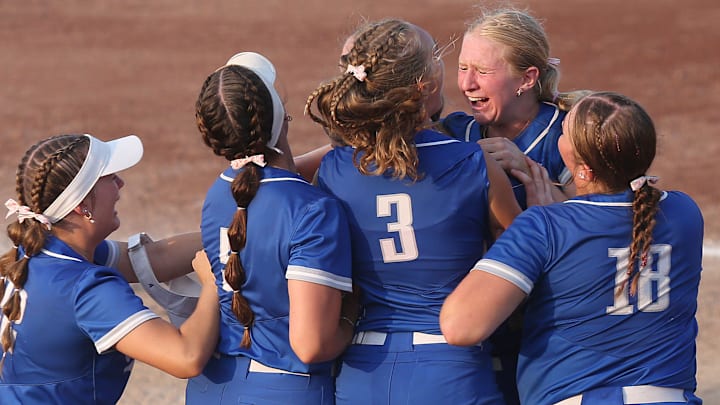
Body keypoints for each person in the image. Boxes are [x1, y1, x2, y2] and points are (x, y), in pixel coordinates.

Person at [305, 18, 521, 404]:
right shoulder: (473, 164)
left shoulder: (335, 171)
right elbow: (524, 260)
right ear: (427, 86)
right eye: (436, 56)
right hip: (453, 373)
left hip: (363, 377)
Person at [440, 91, 703, 405]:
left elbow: (460, 327)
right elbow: (606, 226)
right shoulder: (684, 214)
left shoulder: (544, 227)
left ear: (581, 167)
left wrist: (536, 221)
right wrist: (560, 207)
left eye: (563, 132)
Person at [185, 51, 359, 405]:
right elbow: (313, 346)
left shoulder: (218, 194)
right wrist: (355, 312)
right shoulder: (313, 208)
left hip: (212, 388)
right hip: (287, 389)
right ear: (281, 116)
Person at [0, 133, 219, 404]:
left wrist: (234, 233)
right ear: (82, 207)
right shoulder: (85, 288)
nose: (120, 183)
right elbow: (186, 357)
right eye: (110, 178)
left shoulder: (37, 250)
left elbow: (155, 258)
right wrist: (211, 285)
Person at [442, 7, 591, 208]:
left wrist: (528, 171)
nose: (467, 84)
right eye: (463, 68)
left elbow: (593, 222)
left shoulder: (566, 136)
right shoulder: (454, 133)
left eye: (483, 71)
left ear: (527, 78)